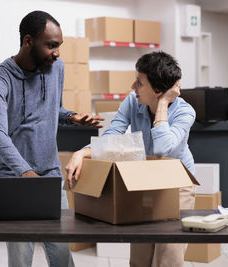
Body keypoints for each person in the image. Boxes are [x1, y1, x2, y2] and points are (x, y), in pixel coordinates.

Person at [0, 10, 103, 267]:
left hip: (50, 176)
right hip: (14, 180)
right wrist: (26, 173)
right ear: (28, 41)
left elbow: (53, 108)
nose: (57, 53)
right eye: (51, 45)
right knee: (20, 259)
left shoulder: (55, 68)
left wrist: (72, 117)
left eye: (59, 46)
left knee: (62, 257)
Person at [65, 51, 196, 267]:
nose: (132, 87)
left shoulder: (185, 112)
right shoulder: (132, 102)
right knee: (140, 254)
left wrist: (162, 104)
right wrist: (82, 152)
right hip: (145, 180)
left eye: (139, 82)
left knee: (168, 257)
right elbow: (111, 135)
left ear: (158, 90)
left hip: (177, 184)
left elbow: (163, 148)